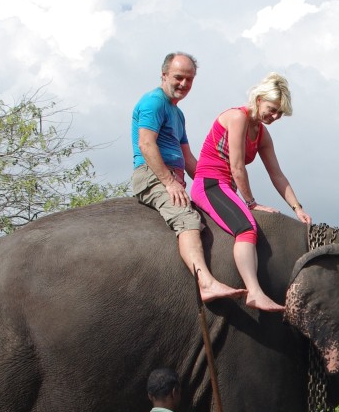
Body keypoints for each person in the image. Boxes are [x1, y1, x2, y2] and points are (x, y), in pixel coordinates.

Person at [190, 72, 312, 313]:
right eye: (272, 109)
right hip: (210, 183)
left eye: (280, 113)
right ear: (258, 99)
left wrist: (298, 208)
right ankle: (254, 293)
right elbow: (236, 165)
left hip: (227, 187)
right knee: (247, 228)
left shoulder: (262, 134)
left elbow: (277, 174)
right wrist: (251, 203)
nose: (275, 116)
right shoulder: (237, 117)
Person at [131, 52, 243, 303]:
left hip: (174, 176)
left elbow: (189, 158)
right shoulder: (153, 102)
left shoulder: (177, 114)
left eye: (189, 79)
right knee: (186, 217)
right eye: (178, 77)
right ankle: (206, 283)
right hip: (152, 175)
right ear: (164, 75)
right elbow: (146, 144)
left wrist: (216, 185)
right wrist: (168, 182)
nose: (184, 84)